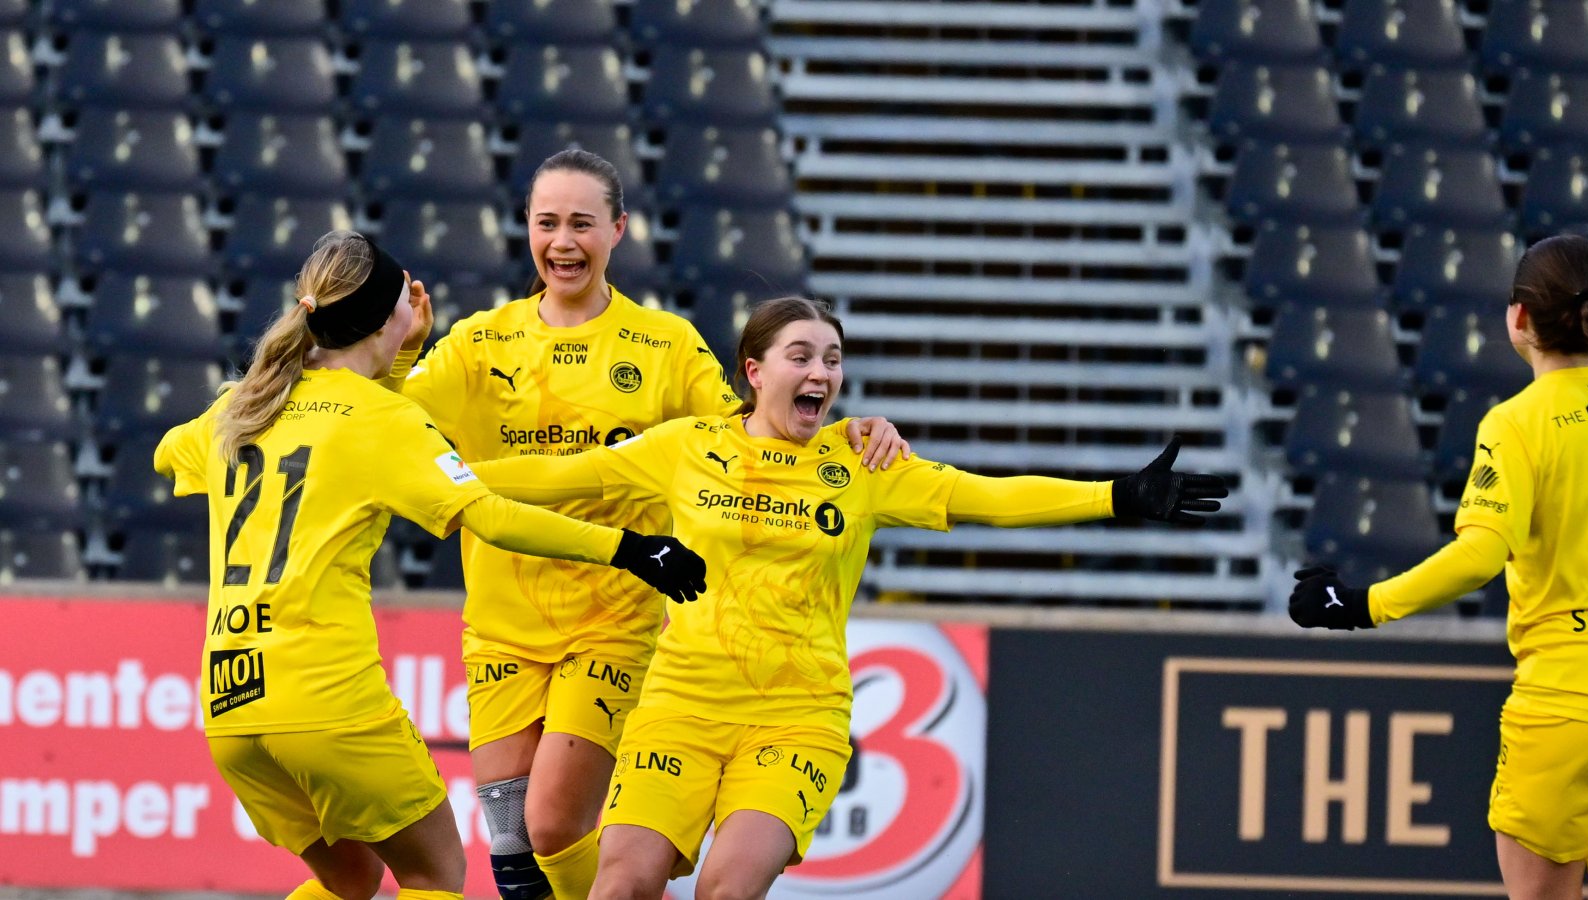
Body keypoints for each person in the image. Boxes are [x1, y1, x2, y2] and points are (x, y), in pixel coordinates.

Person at [464, 295, 1229, 899]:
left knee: (728, 889)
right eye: (801, 356)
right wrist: (431, 479)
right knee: (622, 882)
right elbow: (562, 481)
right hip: (680, 706)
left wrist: (1115, 495)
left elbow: (985, 497)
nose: (822, 374)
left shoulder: (863, 462)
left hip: (796, 717)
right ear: (754, 371)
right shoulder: (686, 448)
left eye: (833, 359)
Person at [381, 149, 909, 900]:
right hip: (500, 620)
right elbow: (392, 429)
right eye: (547, 223)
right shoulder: (478, 343)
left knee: (556, 823)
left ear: (618, 230)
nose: (563, 242)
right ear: (526, 229)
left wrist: (846, 437)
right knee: (510, 844)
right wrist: (403, 358)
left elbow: (746, 430)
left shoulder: (663, 345)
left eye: (582, 224)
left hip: (613, 617)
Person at [153, 230, 708, 900]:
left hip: (231, 707)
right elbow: (493, 516)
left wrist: (385, 369)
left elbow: (167, 454)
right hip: (329, 702)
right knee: (436, 873)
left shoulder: (239, 409)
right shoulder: (381, 420)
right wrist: (629, 548)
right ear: (395, 318)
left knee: (351, 879)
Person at [1288, 233, 1588, 900]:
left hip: (1563, 709)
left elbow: (1479, 555)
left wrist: (1360, 604)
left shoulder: (1516, 424)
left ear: (1518, 318)